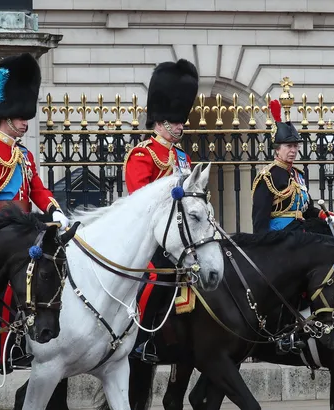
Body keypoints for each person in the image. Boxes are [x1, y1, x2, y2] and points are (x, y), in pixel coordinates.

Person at [0, 53, 68, 373]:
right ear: (6, 115)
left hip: (23, 226)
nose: (26, 122)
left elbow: (37, 189)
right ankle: (4, 346)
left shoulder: (23, 155)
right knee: (14, 279)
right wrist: (4, 227)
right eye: (21, 116)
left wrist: (55, 210)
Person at [124, 59, 198, 363]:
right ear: (160, 120)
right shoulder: (143, 154)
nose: (180, 125)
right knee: (156, 276)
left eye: (181, 119)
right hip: (151, 236)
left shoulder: (182, 156)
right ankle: (142, 338)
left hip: (180, 234)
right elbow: (138, 199)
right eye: (175, 119)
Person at [251, 99, 334, 234]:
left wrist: (324, 215)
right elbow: (260, 220)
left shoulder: (297, 174)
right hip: (280, 235)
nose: (293, 150)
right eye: (288, 146)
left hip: (299, 229)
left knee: (332, 233)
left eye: (295, 146)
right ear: (277, 149)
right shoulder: (268, 176)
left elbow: (307, 209)